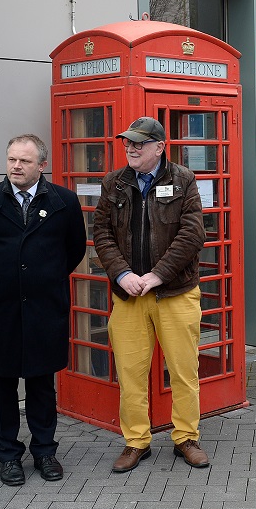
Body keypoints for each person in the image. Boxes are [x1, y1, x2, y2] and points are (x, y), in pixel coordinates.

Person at [0, 134, 87, 486]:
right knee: (0, 386)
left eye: (25, 161)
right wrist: (2, 280)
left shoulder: (64, 201)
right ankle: (9, 456)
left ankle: (45, 451)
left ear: (42, 166)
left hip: (45, 309)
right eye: (12, 159)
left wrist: (42, 281)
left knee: (42, 383)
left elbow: (74, 249)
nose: (16, 166)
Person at [93, 116, 209, 472]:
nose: (130, 148)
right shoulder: (114, 182)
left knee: (183, 371)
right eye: (127, 142)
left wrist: (158, 275)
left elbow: (192, 235)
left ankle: (186, 437)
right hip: (129, 295)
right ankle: (135, 441)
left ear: (160, 147)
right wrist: (122, 273)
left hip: (174, 292)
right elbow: (101, 233)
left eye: (139, 143)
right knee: (130, 372)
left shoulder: (183, 180)